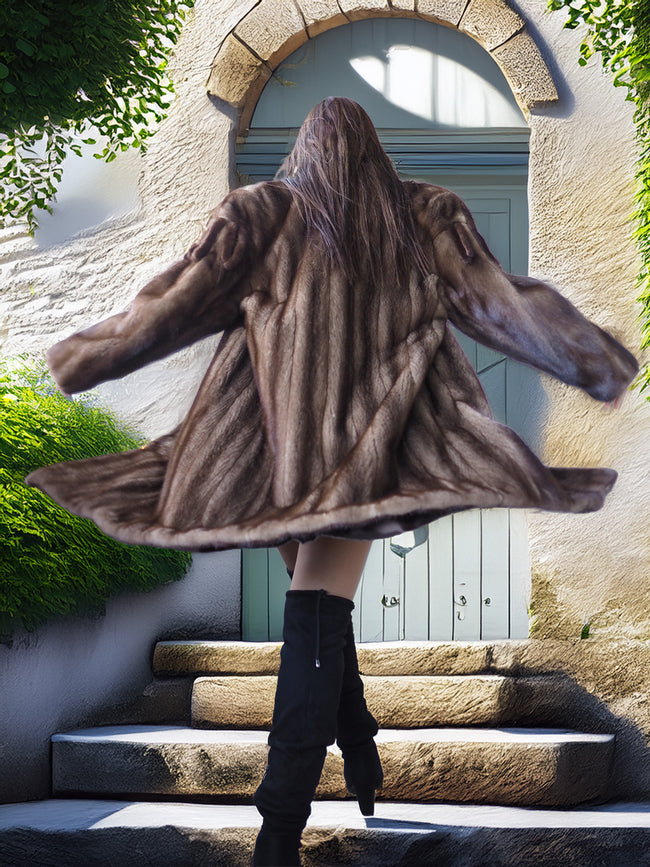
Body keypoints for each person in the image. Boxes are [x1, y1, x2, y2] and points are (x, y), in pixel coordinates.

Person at [27, 97, 638, 866]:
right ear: (375, 152)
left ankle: (278, 829)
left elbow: (170, 304)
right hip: (366, 455)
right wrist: (594, 362)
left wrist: (78, 360)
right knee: (321, 618)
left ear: (302, 150)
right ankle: (363, 751)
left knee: (313, 616)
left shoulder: (263, 214)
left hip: (282, 459)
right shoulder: (418, 216)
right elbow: (501, 302)